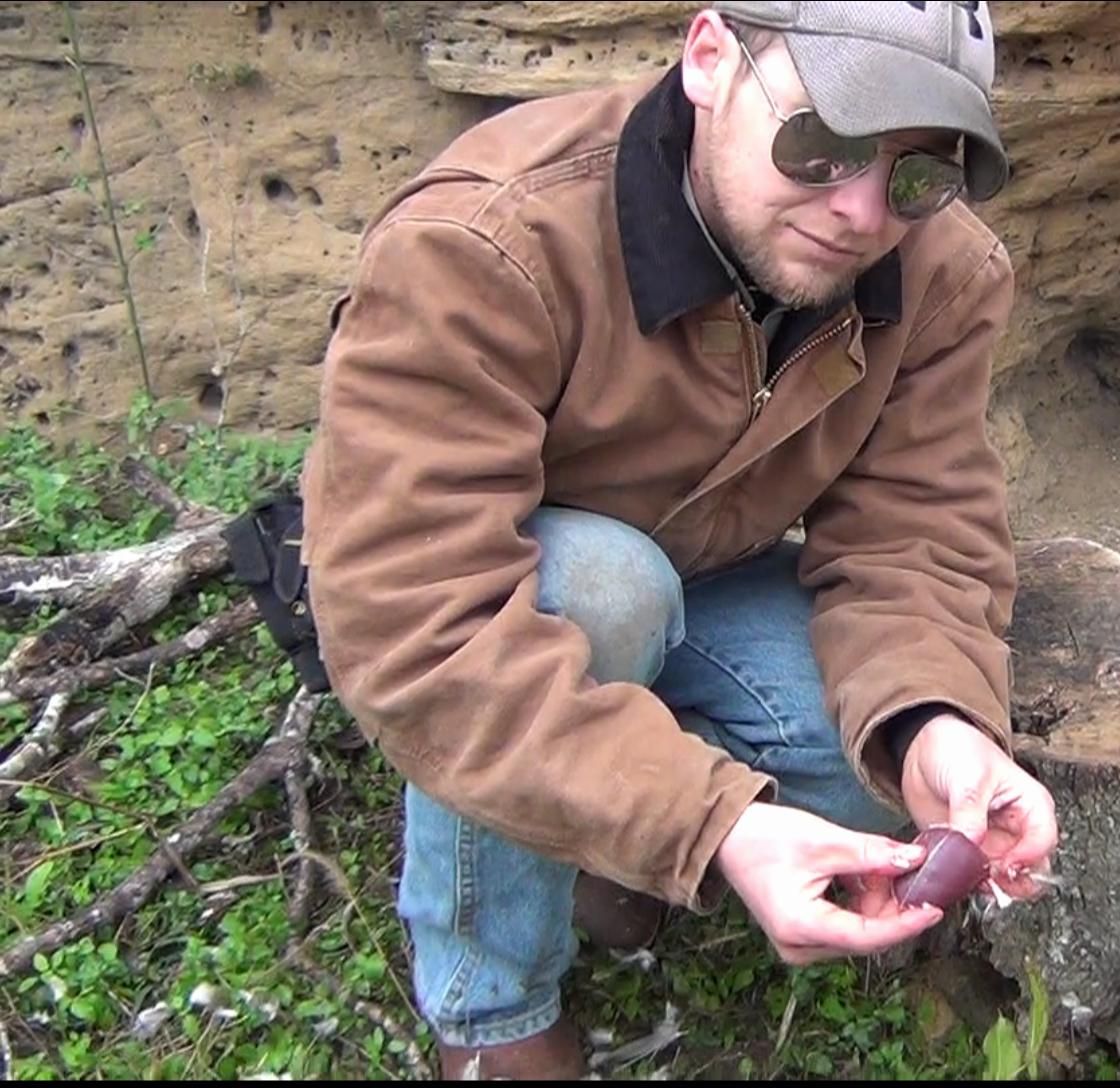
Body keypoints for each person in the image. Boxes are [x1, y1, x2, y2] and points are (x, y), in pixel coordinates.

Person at [295, 0, 1058, 1078]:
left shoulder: (942, 273)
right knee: (603, 590)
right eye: (824, 142)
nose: (859, 211)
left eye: (916, 174)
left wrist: (936, 717)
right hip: (512, 587)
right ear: (709, 60)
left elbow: (918, 529)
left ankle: (603, 824)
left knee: (870, 760)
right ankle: (489, 1004)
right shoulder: (481, 245)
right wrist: (711, 824)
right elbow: (425, 626)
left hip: (708, 572)